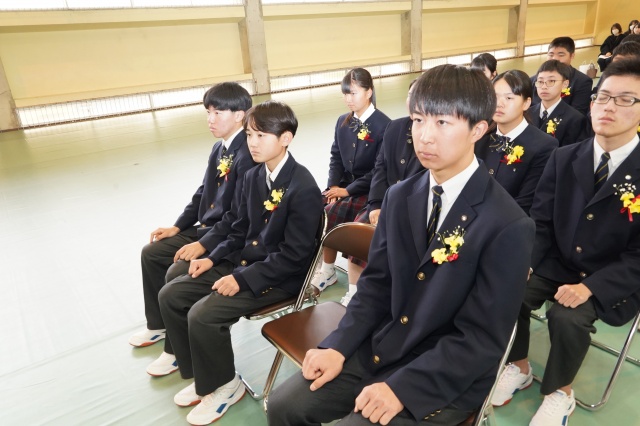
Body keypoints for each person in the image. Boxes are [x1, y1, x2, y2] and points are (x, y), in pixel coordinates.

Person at [267, 64, 535, 426]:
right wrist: (338, 345)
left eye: (443, 123)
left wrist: (403, 388)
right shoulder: (400, 196)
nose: (425, 136)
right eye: (418, 120)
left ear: (478, 129)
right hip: (386, 343)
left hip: (445, 371)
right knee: (285, 405)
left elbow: (481, 338)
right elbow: (376, 284)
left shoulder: (508, 224)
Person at [491, 58, 640, 426]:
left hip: (610, 275)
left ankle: (561, 392)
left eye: (625, 99)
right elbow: (541, 221)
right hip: (558, 261)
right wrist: (527, 261)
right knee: (507, 289)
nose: (608, 107)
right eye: (603, 96)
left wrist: (590, 287)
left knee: (567, 317)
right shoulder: (564, 157)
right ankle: (519, 366)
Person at [156, 100, 323, 425]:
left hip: (277, 278)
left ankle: (225, 387)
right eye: (249, 135)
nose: (252, 143)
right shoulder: (252, 176)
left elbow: (294, 256)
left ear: (286, 138)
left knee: (203, 314)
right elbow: (237, 228)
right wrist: (211, 258)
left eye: (261, 135)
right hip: (243, 262)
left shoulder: (303, 187)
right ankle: (204, 377)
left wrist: (242, 279)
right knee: (171, 294)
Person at [129, 83, 255, 362]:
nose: (210, 119)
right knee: (152, 252)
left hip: (226, 236)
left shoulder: (248, 154)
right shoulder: (219, 148)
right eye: (208, 112)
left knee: (178, 269)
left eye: (218, 112)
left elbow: (238, 216)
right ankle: (158, 325)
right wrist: (177, 226)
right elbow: (202, 192)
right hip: (207, 229)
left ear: (239, 115)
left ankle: (178, 348)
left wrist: (203, 244)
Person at [341, 79, 425, 306]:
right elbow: (380, 169)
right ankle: (354, 293)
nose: (413, 101)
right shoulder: (395, 127)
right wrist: (375, 204)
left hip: (412, 209)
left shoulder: (431, 136)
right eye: (410, 95)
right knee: (359, 232)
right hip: (385, 202)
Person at [311, 68, 391, 294]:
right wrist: (332, 187)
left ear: (369, 92)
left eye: (353, 93)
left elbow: (379, 170)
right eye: (345, 94)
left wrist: (347, 191)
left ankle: (355, 290)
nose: (348, 99)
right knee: (318, 211)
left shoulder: (385, 125)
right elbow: (335, 157)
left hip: (371, 191)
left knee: (357, 229)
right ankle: (327, 270)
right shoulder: (342, 122)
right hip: (345, 186)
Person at [475, 70, 558, 214]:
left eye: (509, 98)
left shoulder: (544, 146)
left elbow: (527, 202)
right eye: (494, 97)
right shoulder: (479, 137)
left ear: (526, 103)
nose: (499, 104)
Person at [529, 60, 588, 147]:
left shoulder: (575, 119)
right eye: (540, 82)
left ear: (565, 84)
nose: (544, 87)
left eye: (551, 81)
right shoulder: (526, 114)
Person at [531, 37, 593, 115]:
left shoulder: (582, 81)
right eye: (551, 54)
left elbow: (578, 113)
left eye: (561, 55)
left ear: (572, 56)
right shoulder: (533, 80)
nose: (555, 58)